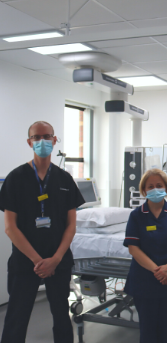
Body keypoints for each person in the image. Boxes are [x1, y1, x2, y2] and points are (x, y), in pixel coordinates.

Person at [0, 121, 85, 343]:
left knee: (61, 314)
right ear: (29, 142)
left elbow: (71, 226)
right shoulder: (15, 178)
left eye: (47, 136)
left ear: (55, 140)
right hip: (26, 260)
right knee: (16, 317)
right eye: (37, 138)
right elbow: (10, 227)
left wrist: (55, 260)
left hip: (58, 260)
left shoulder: (65, 179)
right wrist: (39, 261)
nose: (42, 141)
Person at [123, 168, 167, 343]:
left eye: (159, 185)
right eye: (151, 186)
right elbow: (133, 248)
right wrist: (158, 271)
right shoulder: (136, 216)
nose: (155, 189)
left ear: (166, 189)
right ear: (144, 190)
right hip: (144, 281)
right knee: (147, 331)